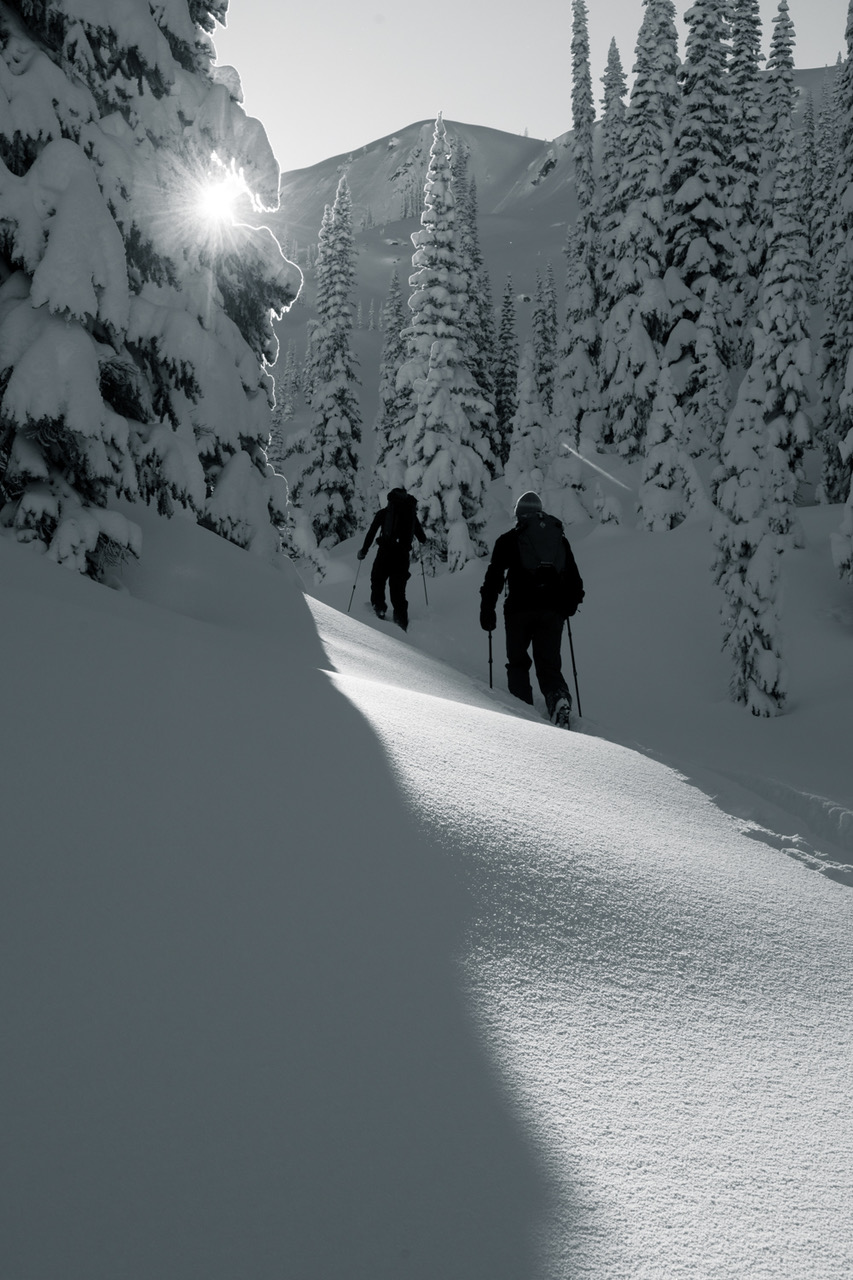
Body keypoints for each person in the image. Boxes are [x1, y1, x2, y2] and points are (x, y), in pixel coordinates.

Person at [479, 491, 584, 727]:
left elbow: (494, 577)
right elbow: (575, 582)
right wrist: (568, 606)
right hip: (552, 612)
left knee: (518, 663)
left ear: (518, 515)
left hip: (518, 611)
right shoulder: (558, 538)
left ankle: (523, 714)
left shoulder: (509, 539)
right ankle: (558, 700)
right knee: (549, 665)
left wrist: (487, 608)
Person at [357, 486, 427, 630]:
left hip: (385, 553)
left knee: (377, 580)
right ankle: (401, 620)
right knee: (398, 589)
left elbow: (371, 533)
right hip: (402, 556)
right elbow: (422, 538)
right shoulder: (411, 515)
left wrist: (363, 551)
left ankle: (379, 608)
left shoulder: (384, 513)